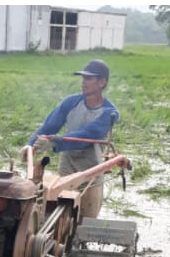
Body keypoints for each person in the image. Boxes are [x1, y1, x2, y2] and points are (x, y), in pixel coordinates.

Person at [29, 60, 119, 221]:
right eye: (83, 78)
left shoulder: (109, 112)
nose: (83, 82)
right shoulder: (71, 102)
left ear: (102, 82)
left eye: (89, 79)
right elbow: (50, 126)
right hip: (67, 164)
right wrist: (30, 146)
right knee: (61, 216)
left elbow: (86, 136)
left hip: (91, 169)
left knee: (86, 220)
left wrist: (55, 141)